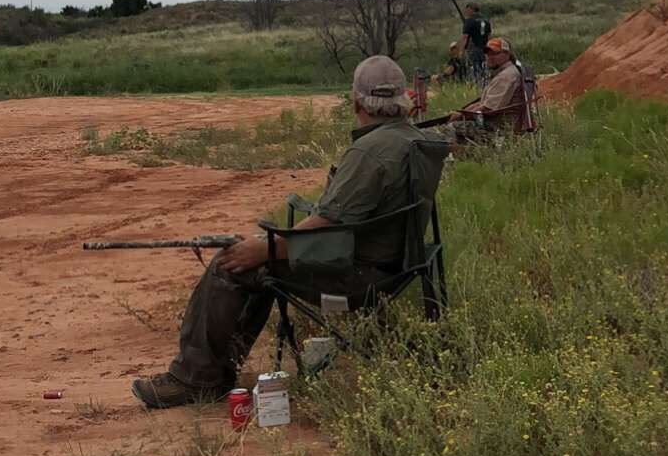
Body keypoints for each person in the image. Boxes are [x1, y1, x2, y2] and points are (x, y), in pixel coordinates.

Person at [132, 55, 450, 410]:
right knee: (253, 257)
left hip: (358, 276)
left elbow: (329, 224)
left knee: (231, 263)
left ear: (356, 101)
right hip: (394, 268)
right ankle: (216, 370)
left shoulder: (369, 151)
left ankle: (195, 379)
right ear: (402, 98)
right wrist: (267, 247)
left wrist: (264, 249)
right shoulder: (414, 138)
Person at [453, 36, 526, 141]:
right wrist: (463, 111)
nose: (490, 57)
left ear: (507, 54)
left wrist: (461, 116)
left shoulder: (506, 76)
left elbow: (488, 109)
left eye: (495, 53)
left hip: (499, 129)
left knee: (448, 129)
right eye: (487, 53)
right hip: (498, 125)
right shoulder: (506, 73)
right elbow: (485, 103)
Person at [455, 3, 489, 84]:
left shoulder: (469, 21)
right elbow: (488, 35)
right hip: (485, 49)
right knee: (484, 67)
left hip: (474, 48)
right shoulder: (486, 20)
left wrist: (461, 51)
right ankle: (484, 83)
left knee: (474, 68)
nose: (466, 12)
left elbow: (465, 37)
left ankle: (477, 85)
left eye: (467, 10)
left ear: (471, 9)